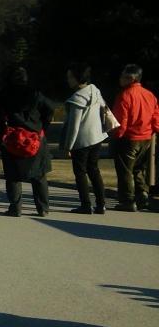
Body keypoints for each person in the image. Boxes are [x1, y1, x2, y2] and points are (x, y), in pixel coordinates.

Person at [0, 67, 57, 217]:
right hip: (35, 136)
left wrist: (0, 132)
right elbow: (50, 108)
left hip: (12, 138)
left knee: (13, 176)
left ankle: (15, 208)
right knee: (39, 175)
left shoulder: (3, 95)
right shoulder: (35, 94)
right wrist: (43, 125)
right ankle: (43, 208)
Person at [109, 63, 159, 212]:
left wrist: (116, 136)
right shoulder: (149, 95)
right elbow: (156, 116)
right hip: (146, 137)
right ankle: (142, 195)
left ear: (131, 78)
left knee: (125, 170)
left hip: (129, 138)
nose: (120, 79)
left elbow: (121, 120)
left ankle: (127, 200)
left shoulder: (124, 95)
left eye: (123, 76)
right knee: (139, 168)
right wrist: (154, 131)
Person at [61, 63, 110, 214]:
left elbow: (74, 127)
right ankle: (101, 204)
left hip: (82, 141)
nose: (68, 80)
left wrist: (68, 147)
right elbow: (103, 107)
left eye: (70, 77)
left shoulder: (76, 98)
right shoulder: (94, 90)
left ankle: (86, 205)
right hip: (97, 137)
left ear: (77, 78)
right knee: (94, 170)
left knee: (80, 172)